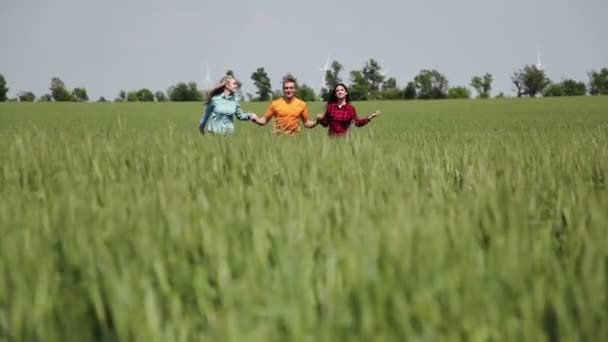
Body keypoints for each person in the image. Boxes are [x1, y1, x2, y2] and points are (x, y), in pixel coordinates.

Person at [316, 83, 380, 137]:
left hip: (345, 140)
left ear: (346, 92)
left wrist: (370, 117)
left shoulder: (350, 109)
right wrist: (320, 119)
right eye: (337, 91)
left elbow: (357, 123)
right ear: (335, 94)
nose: (340, 92)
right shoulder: (330, 107)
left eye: (342, 90)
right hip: (331, 139)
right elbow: (325, 124)